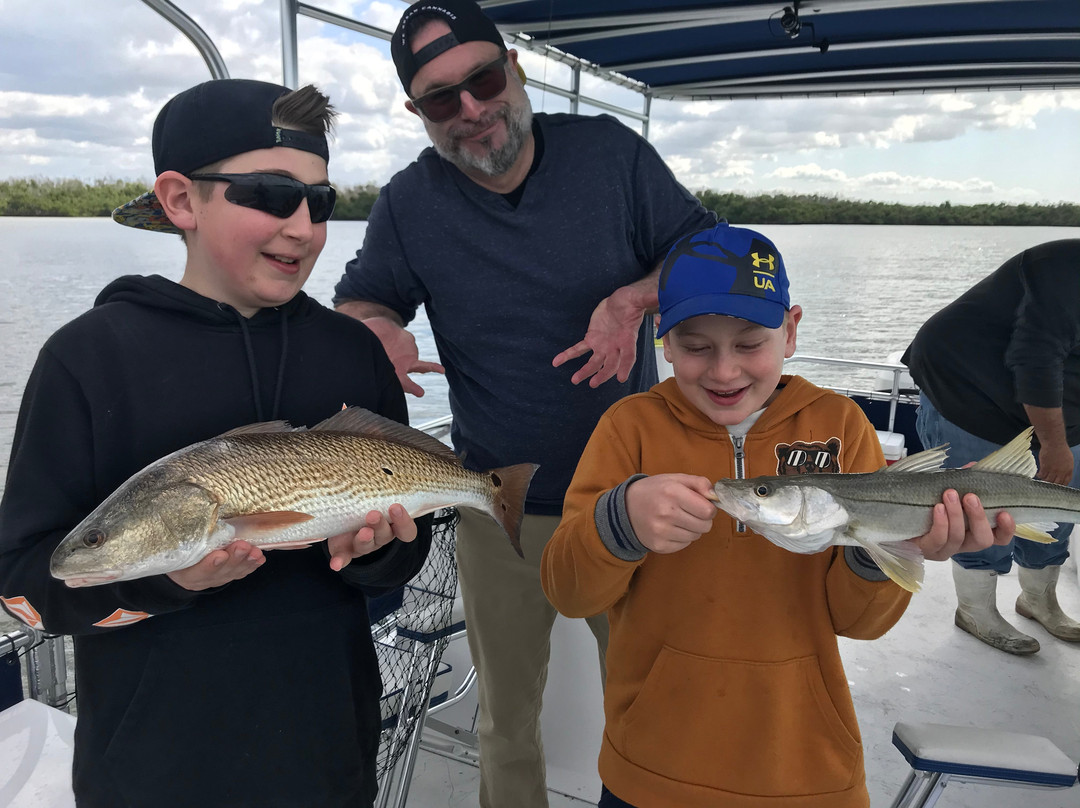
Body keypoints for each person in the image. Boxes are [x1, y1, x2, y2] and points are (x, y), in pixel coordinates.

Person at [0, 78, 431, 808]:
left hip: (327, 753)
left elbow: (402, 558)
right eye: (269, 194)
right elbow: (24, 585)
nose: (303, 227)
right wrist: (167, 581)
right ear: (178, 200)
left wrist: (383, 550)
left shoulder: (355, 355)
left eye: (320, 202)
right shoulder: (88, 358)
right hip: (152, 768)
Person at [332, 2, 718, 805]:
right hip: (492, 504)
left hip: (632, 495)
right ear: (418, 114)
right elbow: (363, 301)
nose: (472, 110)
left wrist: (636, 300)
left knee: (651, 702)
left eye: (482, 79)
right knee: (506, 720)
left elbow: (706, 248)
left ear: (515, 68)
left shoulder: (611, 155)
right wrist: (376, 332)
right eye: (442, 98)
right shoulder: (410, 202)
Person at [541, 222, 1014, 808]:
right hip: (651, 766)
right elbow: (569, 592)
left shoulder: (841, 425)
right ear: (661, 340)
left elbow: (859, 623)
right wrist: (621, 521)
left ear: (790, 331)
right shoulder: (628, 427)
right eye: (695, 346)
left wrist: (898, 546)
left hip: (804, 768)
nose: (723, 371)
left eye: (749, 343)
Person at [902, 238, 1080, 656]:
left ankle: (1038, 599)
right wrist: (1053, 444)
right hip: (968, 388)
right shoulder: (1062, 267)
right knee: (979, 508)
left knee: (1062, 502)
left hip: (1058, 402)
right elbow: (1036, 360)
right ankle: (976, 609)